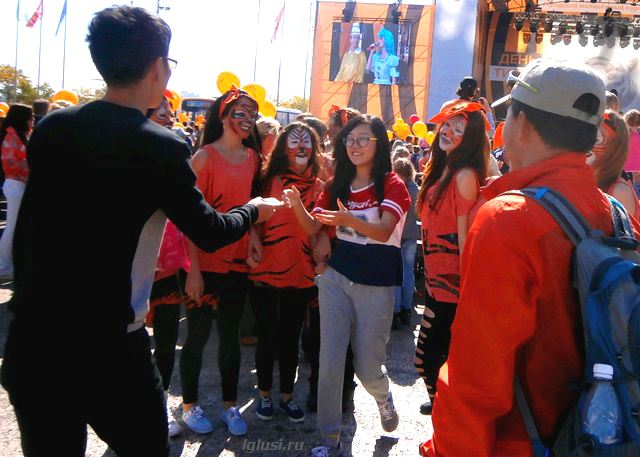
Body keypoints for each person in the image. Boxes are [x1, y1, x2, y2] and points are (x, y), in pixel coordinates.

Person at [0, 7, 281, 457]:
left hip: (33, 338)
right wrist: (253, 210)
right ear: (157, 67)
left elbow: (32, 230)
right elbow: (209, 230)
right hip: (107, 344)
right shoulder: (159, 145)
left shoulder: (53, 127)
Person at [419, 59, 617, 457]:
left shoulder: (508, 218)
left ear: (521, 123)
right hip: (600, 435)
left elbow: (474, 381)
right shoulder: (616, 212)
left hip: (521, 442)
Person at [283, 114, 410, 457]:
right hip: (336, 279)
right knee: (329, 361)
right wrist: (296, 205)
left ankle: (382, 397)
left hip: (377, 283)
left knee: (367, 367)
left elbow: (384, 231)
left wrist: (346, 219)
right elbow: (313, 227)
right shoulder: (336, 184)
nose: (355, 145)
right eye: (350, 140)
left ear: (379, 143)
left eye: (363, 139)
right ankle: (329, 439)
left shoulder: (392, 184)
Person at [183, 87, 263, 437]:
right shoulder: (203, 157)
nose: (247, 120)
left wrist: (254, 238)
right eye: (240, 113)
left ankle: (230, 406)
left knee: (230, 336)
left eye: (252, 114)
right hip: (202, 264)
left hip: (236, 263)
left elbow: (250, 204)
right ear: (224, 116)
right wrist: (193, 270)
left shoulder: (253, 158)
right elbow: (188, 217)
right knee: (197, 336)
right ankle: (189, 406)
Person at [414, 101, 489, 415]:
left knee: (427, 358)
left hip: (452, 290)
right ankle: (441, 408)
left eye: (459, 129)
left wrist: (467, 298)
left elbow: (464, 240)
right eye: (447, 124)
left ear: (470, 139)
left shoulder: (463, 175)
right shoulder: (439, 168)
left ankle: (443, 412)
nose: (448, 131)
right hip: (435, 284)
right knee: (431, 358)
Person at [248, 122, 324, 424]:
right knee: (267, 336)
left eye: (307, 142)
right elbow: (253, 216)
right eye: (294, 141)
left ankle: (287, 396)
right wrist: (253, 240)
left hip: (300, 272)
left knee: (290, 338)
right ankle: (264, 394)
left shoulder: (319, 185)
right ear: (283, 147)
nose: (301, 147)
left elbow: (317, 227)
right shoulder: (269, 179)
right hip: (265, 269)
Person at [585, 110, 639, 219]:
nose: (585, 144)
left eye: (595, 139)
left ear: (614, 147)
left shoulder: (619, 191)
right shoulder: (585, 179)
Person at [0, 104, 33, 279]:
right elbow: (11, 164)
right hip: (15, 185)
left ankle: (7, 264)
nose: (32, 120)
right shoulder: (11, 137)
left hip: (17, 185)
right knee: (12, 227)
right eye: (30, 116)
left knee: (14, 227)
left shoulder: (17, 135)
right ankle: (4, 266)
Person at [391, 157, 420, 329]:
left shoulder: (395, 188)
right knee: (408, 273)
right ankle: (406, 310)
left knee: (396, 274)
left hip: (396, 235)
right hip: (411, 235)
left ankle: (395, 312)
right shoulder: (416, 190)